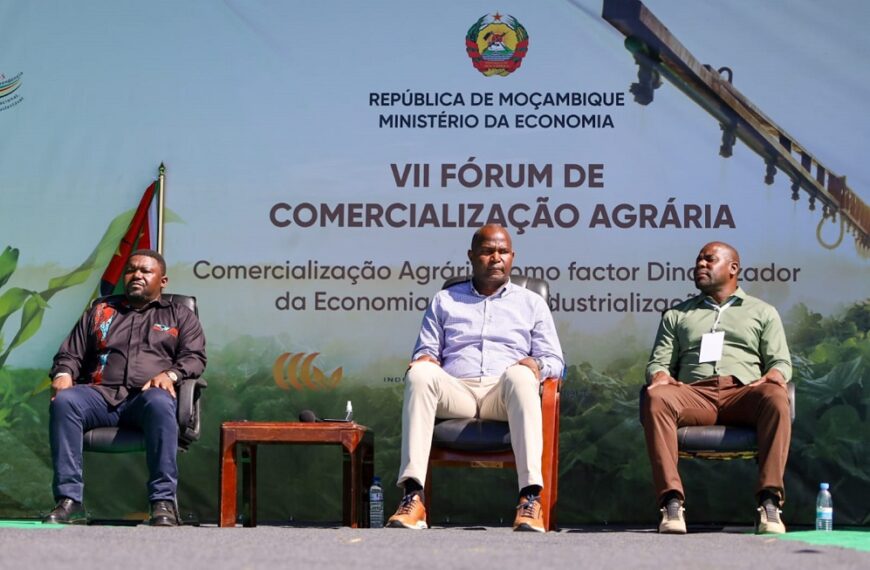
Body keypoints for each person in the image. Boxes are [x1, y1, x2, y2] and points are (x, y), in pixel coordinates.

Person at [387, 224, 564, 532]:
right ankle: (413, 498)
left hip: (503, 394)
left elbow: (555, 362)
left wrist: (536, 366)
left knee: (523, 376)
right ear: (472, 256)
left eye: (503, 252)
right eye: (487, 251)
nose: (496, 258)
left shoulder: (531, 303)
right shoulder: (445, 300)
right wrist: (425, 359)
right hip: (458, 393)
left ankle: (529, 500)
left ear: (512, 257)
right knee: (419, 374)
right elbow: (426, 351)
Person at [43, 249, 206, 526]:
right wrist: (63, 374)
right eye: (131, 270)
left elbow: (194, 357)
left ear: (162, 281)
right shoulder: (101, 312)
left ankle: (162, 502)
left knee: (160, 401)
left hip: (146, 398)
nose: (137, 276)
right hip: (99, 396)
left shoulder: (180, 316)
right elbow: (70, 354)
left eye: (146, 271)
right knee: (65, 401)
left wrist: (172, 375)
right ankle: (70, 501)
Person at [641, 242, 792, 535]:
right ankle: (671, 502)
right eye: (698, 260)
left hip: (742, 393)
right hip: (695, 394)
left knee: (775, 395)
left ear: (733, 268)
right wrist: (659, 375)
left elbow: (781, 363)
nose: (700, 265)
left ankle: (769, 502)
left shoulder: (762, 312)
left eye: (709, 260)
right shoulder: (677, 315)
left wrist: (772, 375)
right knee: (656, 396)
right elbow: (657, 364)